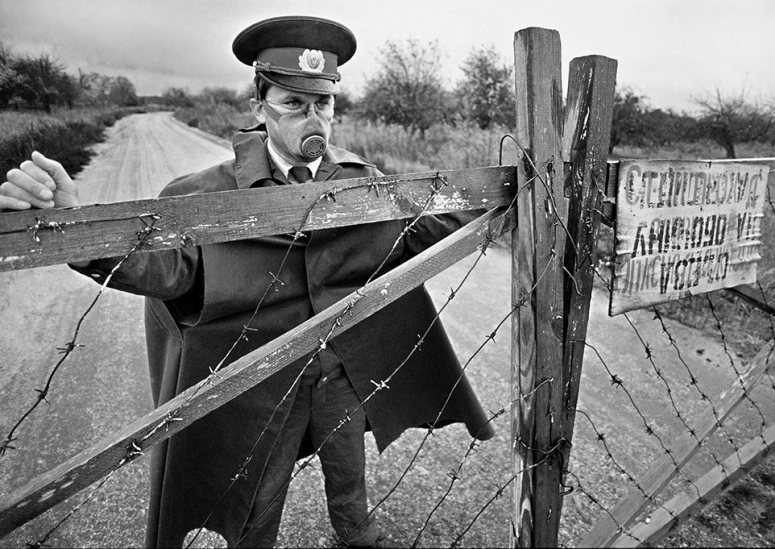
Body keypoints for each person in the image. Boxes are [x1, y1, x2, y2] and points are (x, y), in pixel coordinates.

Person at [0, 15, 494, 548]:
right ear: (259, 107)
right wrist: (79, 230)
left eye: (323, 104)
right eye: (293, 104)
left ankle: (356, 536)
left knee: (350, 481)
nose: (315, 120)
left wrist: (508, 192)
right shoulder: (206, 195)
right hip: (262, 377)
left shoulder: (362, 182)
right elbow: (168, 268)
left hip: (340, 371)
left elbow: (426, 228)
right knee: (258, 501)